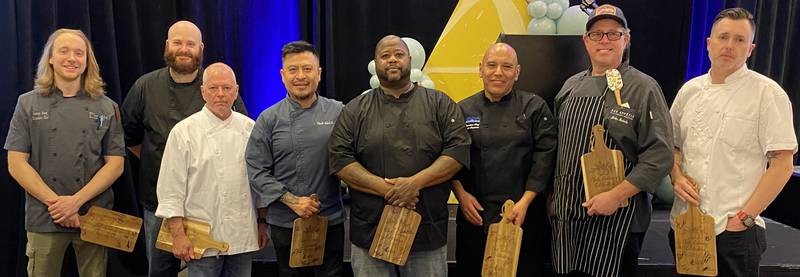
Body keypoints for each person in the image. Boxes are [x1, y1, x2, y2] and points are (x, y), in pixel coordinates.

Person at [328, 35, 471, 277]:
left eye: (398, 54)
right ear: (376, 63)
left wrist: (415, 183)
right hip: (370, 231)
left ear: (410, 60)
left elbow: (458, 151)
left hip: (426, 229)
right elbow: (339, 159)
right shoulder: (355, 109)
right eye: (385, 56)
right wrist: (386, 189)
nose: (392, 60)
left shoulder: (440, 104)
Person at [668, 7, 796, 277]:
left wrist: (744, 218)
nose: (729, 46)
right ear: (708, 43)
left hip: (733, 232)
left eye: (739, 40)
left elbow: (782, 164)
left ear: (750, 48)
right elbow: (674, 147)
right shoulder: (689, 91)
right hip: (685, 226)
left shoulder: (768, 94)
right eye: (723, 37)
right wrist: (676, 175)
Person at [549, 4, 674, 277]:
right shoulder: (570, 86)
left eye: (613, 34)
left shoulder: (644, 87)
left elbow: (660, 156)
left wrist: (615, 196)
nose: (604, 40)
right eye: (596, 34)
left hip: (617, 223)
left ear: (626, 39)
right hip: (568, 220)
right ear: (585, 41)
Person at [121, 20, 248, 276]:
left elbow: (239, 141)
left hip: (210, 209)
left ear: (200, 48)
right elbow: (129, 137)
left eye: (190, 44)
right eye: (177, 42)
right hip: (158, 203)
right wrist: (166, 163)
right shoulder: (144, 87)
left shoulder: (218, 83)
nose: (184, 49)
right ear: (167, 46)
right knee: (159, 271)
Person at [5, 28, 125, 277]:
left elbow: (115, 164)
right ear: (50, 57)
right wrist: (58, 205)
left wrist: (75, 202)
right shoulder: (27, 103)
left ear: (87, 61)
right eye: (64, 51)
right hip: (44, 214)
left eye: (79, 53)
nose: (72, 58)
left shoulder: (107, 106)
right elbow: (16, 163)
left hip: (93, 213)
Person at [453, 42, 557, 276]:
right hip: (475, 214)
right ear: (480, 69)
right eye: (491, 65)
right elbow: (451, 157)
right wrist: (461, 195)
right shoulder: (462, 109)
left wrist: (525, 201)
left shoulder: (534, 107)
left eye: (506, 66)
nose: (498, 72)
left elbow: (546, 157)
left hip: (523, 214)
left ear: (517, 72)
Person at [247, 40, 346, 277]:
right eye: (293, 70)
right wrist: (292, 200)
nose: (300, 76)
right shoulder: (268, 119)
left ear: (319, 74)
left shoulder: (339, 112)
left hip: (330, 219)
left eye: (307, 69)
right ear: (283, 75)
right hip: (285, 223)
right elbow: (256, 169)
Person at [155, 63, 262, 277]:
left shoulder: (251, 129)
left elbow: (259, 183)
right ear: (203, 92)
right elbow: (170, 190)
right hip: (200, 238)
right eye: (213, 88)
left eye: (227, 88)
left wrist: (263, 223)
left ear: (237, 91)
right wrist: (178, 236)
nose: (221, 94)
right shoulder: (183, 132)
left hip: (242, 236)